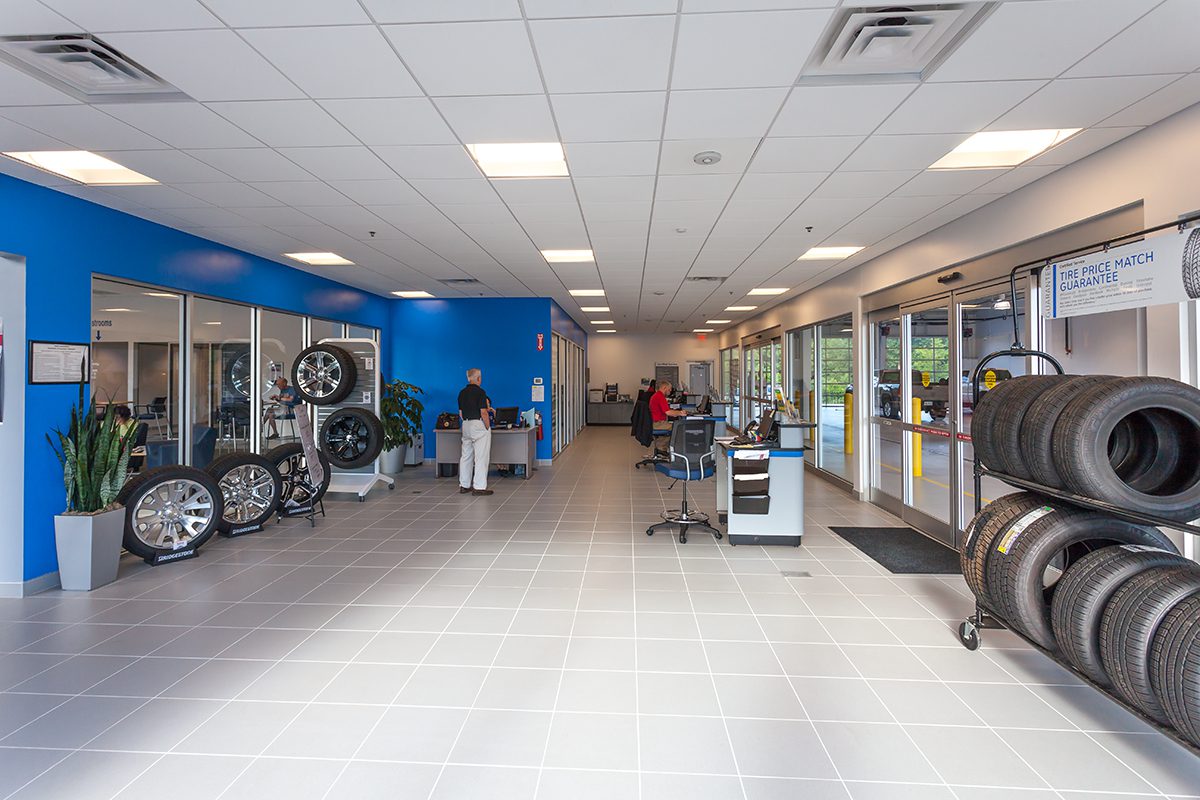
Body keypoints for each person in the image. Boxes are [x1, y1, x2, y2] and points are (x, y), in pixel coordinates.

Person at [458, 368, 494, 496]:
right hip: (478, 424)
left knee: (466, 456)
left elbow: (461, 413)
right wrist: (487, 426)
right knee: (481, 457)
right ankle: (479, 487)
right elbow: (483, 411)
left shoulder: (461, 393)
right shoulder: (480, 392)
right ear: (478, 378)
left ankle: (464, 485)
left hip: (466, 424)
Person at [650, 380, 686, 457]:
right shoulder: (660, 396)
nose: (670, 392)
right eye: (669, 389)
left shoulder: (656, 395)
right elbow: (668, 412)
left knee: (672, 426)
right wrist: (680, 413)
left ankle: (660, 448)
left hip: (655, 422)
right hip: (658, 423)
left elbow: (667, 411)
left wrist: (676, 413)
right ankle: (663, 449)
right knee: (678, 428)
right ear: (664, 387)